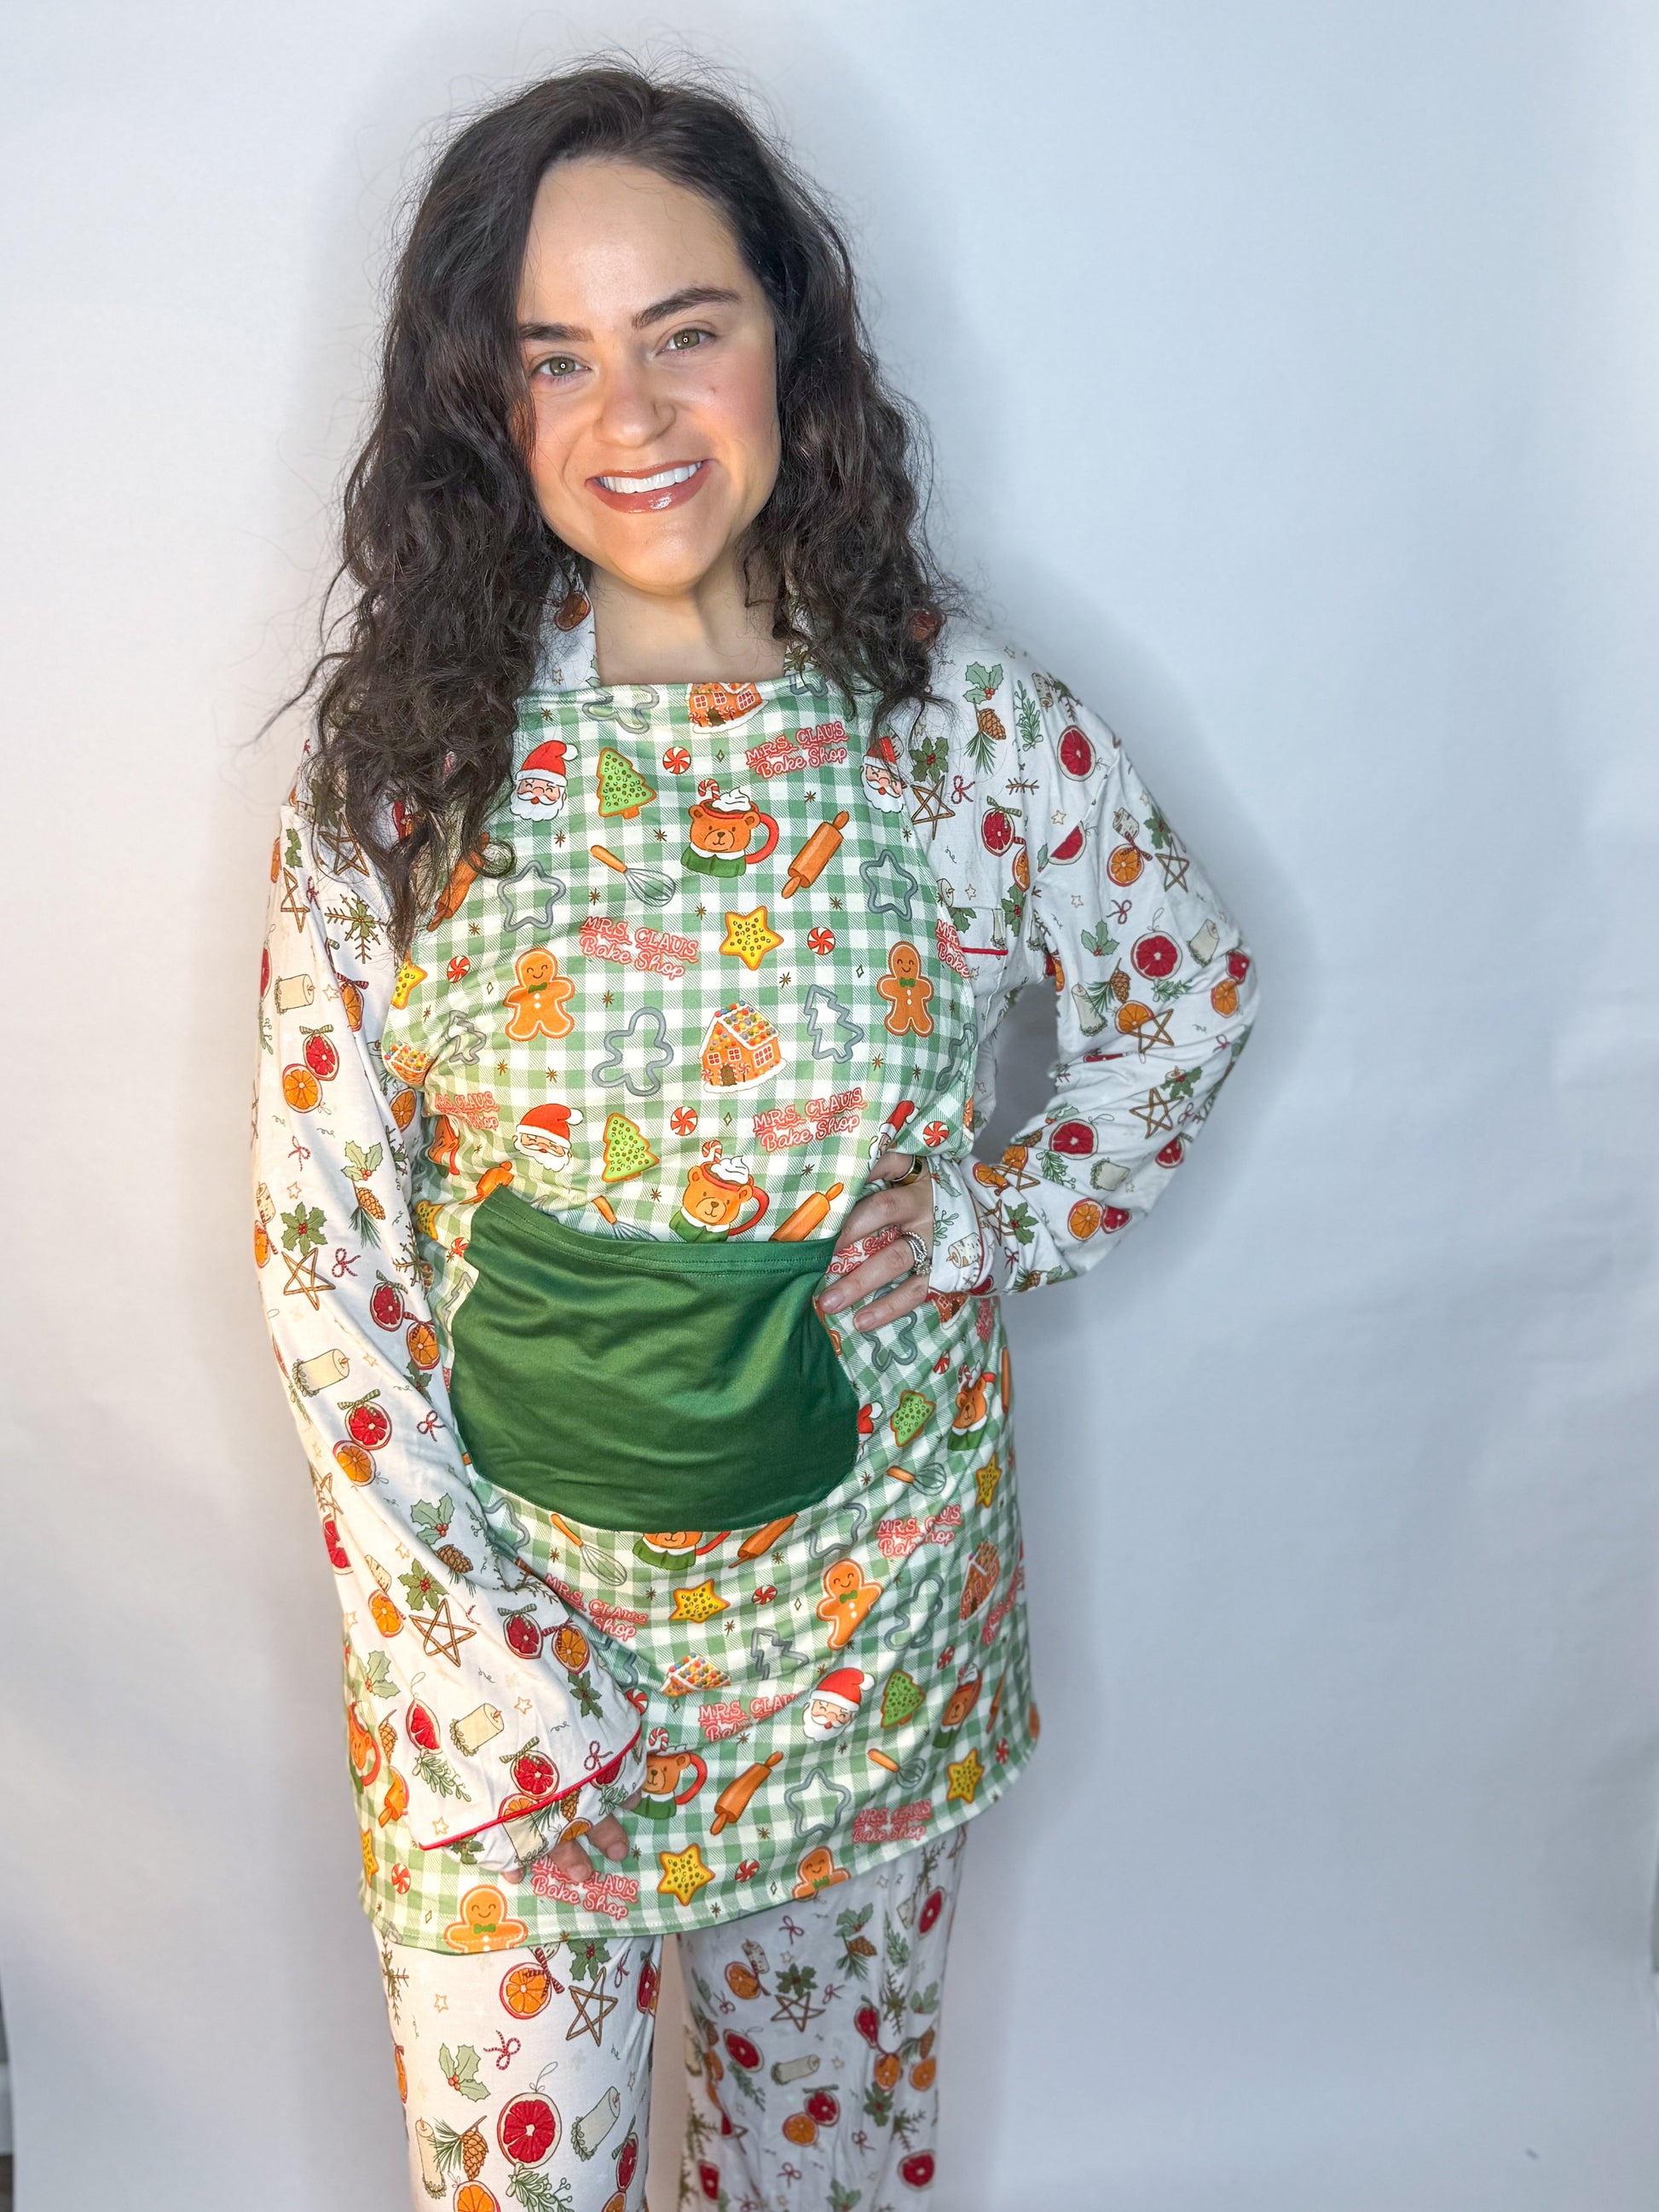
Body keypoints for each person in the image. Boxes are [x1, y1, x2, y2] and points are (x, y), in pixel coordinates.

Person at [251, 62, 1258, 2212]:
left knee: (822, 2178)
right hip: (509, 1680)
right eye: (555, 355)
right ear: (484, 401)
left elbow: (1183, 993)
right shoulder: (406, 768)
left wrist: (994, 1217)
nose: (629, 414)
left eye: (683, 329)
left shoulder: (953, 723)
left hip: (857, 1647)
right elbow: (322, 1241)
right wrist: (472, 1656)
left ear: (786, 334)